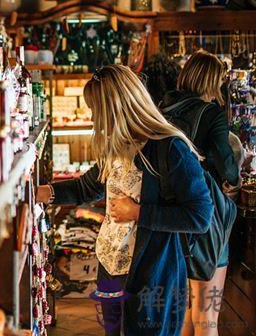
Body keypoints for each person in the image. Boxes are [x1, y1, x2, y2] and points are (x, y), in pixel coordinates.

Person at [36, 64, 213, 336]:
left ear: (115, 109)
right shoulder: (117, 144)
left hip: (151, 275)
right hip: (110, 268)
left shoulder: (170, 148)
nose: (94, 118)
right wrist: (44, 193)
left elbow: (200, 217)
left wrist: (139, 213)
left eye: (97, 111)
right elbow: (87, 187)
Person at [160, 51, 240, 336]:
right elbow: (226, 163)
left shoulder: (164, 109)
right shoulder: (211, 114)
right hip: (206, 215)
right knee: (207, 316)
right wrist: (235, 181)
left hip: (169, 215)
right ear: (212, 81)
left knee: (185, 311)